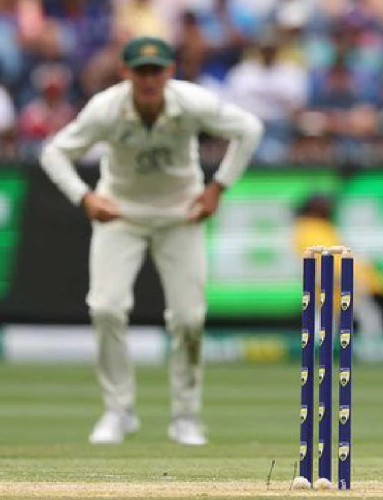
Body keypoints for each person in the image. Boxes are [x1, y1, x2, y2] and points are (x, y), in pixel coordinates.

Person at [39, 36, 263, 445]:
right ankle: (118, 411)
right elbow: (54, 152)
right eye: (141, 71)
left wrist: (218, 187)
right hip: (120, 213)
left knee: (188, 318)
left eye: (156, 71)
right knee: (106, 308)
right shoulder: (106, 108)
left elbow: (249, 129)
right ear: (125, 72)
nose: (149, 80)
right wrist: (85, 198)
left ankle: (186, 417)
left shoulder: (191, 102)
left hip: (182, 213)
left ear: (170, 72)